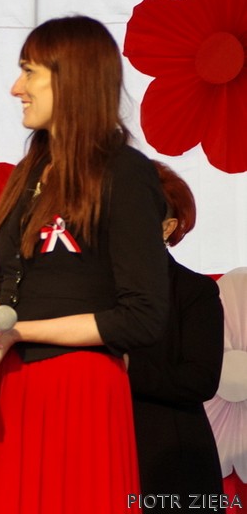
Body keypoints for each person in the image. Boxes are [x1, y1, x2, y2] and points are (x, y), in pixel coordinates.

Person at [0, 16, 169, 513]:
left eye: (29, 71)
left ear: (71, 77)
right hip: (7, 387)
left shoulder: (125, 173)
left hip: (75, 390)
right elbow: (10, 281)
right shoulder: (31, 168)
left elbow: (142, 316)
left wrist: (20, 331)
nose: (16, 88)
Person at [127, 161, 224, 499]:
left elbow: (200, 379)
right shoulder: (89, 290)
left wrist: (126, 367)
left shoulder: (194, 291)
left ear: (167, 227)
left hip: (169, 461)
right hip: (97, 447)